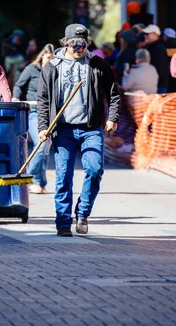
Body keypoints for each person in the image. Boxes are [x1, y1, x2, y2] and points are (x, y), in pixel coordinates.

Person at [37, 23, 120, 237]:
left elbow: (113, 94)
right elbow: (43, 99)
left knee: (94, 170)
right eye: (74, 45)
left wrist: (112, 117)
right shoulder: (52, 66)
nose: (78, 49)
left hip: (90, 128)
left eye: (82, 45)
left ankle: (82, 213)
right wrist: (43, 127)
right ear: (65, 43)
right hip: (63, 130)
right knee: (63, 175)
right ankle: (63, 222)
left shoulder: (97, 64)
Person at [12, 44, 55, 195]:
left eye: (53, 59)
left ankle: (41, 182)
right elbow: (19, 85)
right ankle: (34, 180)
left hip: (51, 113)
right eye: (48, 58)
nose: (50, 61)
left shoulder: (54, 71)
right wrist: (16, 97)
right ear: (42, 56)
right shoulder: (32, 69)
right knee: (41, 143)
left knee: (45, 149)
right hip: (34, 111)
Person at [143, 24, 170, 94]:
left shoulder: (159, 48)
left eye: (147, 34)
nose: (145, 36)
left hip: (159, 85)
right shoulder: (153, 47)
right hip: (155, 84)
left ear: (155, 34)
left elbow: (161, 67)